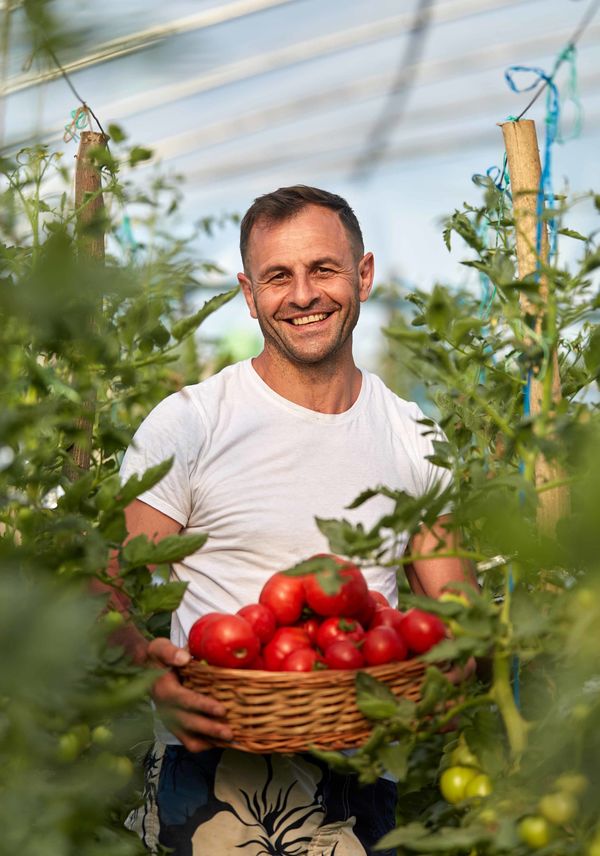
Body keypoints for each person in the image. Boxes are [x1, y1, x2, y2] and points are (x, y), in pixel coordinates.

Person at [110, 186, 474, 856]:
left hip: (363, 779)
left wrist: (452, 666)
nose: (302, 295)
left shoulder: (415, 433)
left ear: (363, 275)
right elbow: (108, 580)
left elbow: (457, 608)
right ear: (250, 295)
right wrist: (142, 665)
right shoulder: (193, 421)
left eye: (324, 269)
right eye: (279, 276)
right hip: (216, 774)